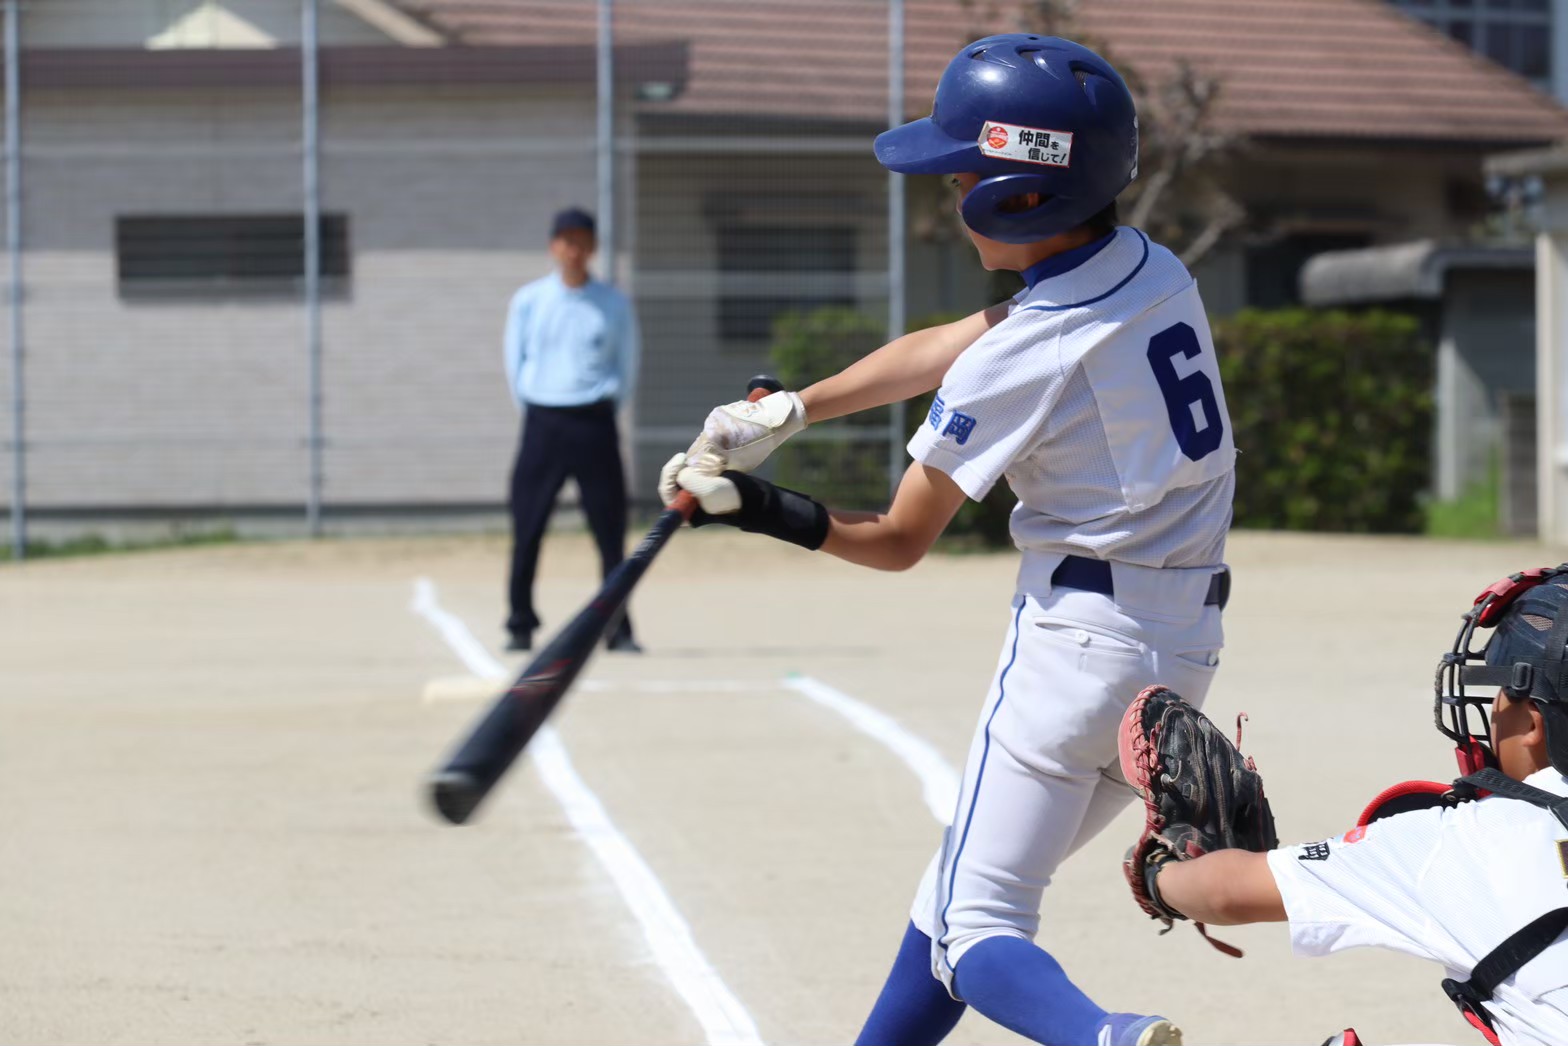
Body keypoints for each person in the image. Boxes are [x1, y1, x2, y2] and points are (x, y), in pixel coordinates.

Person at [660, 34, 1234, 1046]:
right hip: (1177, 651)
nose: (947, 184)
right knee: (954, 891)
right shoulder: (1147, 267)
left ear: (1016, 196)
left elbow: (892, 539)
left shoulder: (1028, 350)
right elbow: (963, 338)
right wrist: (796, 407)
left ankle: (1102, 1034)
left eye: (963, 168)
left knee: (975, 928)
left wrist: (749, 506)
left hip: (1075, 654)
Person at [1126, 566, 1568, 1046]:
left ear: (1531, 724)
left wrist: (1158, 873)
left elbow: (1224, 891)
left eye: (1503, 696)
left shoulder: (1461, 840)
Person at [502, 207, 640, 654]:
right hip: (543, 421)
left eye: (582, 241)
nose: (574, 250)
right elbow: (515, 360)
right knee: (528, 525)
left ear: (593, 247)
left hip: (594, 421)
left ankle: (617, 627)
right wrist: (535, 400)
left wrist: (605, 402)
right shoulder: (529, 300)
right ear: (553, 246)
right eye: (566, 241)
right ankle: (520, 623)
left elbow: (627, 362)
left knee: (609, 530)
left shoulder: (613, 302)